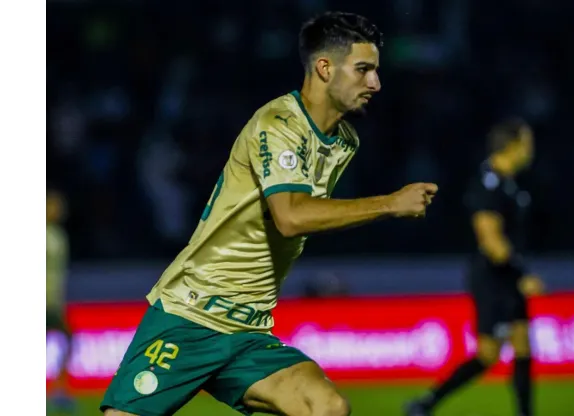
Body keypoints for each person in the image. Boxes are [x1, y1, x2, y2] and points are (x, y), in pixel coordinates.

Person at [101, 11, 437, 416]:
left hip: (249, 331)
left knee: (326, 407)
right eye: (363, 69)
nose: (375, 83)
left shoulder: (344, 142)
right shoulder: (278, 123)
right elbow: (291, 217)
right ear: (324, 67)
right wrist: (388, 203)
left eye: (376, 71)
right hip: (191, 314)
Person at [405, 119, 543, 416]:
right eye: (527, 142)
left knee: (522, 344)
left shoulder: (509, 182)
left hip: (507, 275)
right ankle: (427, 402)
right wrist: (522, 274)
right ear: (513, 145)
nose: (531, 149)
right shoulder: (488, 182)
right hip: (494, 277)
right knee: (488, 354)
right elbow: (490, 239)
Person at [47, 189, 74, 411]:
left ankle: (59, 389)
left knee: (68, 339)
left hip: (53, 301)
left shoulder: (58, 235)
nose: (57, 210)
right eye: (53, 205)